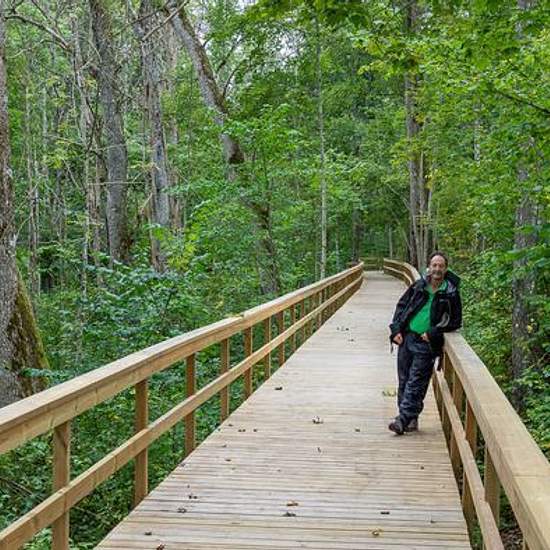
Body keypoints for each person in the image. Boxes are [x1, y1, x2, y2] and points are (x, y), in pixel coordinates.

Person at [388, 251, 462, 435]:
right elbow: (402, 306)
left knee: (416, 382)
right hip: (407, 337)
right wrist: (396, 330)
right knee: (404, 380)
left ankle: (402, 420)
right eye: (434, 265)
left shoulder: (451, 293)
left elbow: (455, 321)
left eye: (441, 266)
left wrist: (433, 333)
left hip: (425, 343)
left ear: (446, 269)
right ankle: (410, 418)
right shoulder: (419, 286)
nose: (437, 269)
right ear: (429, 267)